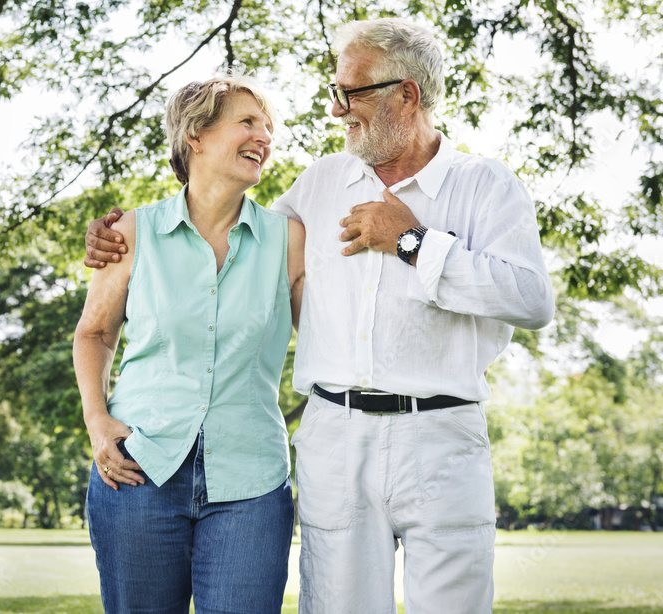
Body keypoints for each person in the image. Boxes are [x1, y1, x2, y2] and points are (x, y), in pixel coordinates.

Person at [83, 18, 555, 614]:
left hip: (440, 437)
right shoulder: (322, 182)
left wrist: (413, 242)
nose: (336, 110)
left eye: (350, 93)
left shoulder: (483, 185)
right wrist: (120, 237)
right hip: (334, 437)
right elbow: (224, 226)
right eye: (335, 93)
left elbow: (531, 300)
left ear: (405, 94)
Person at [73, 74, 306, 614]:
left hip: (251, 479)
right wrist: (97, 420)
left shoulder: (288, 240)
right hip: (139, 467)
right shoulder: (132, 231)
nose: (264, 136)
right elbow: (95, 334)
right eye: (248, 122)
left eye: (268, 127)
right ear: (195, 135)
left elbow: (335, 332)